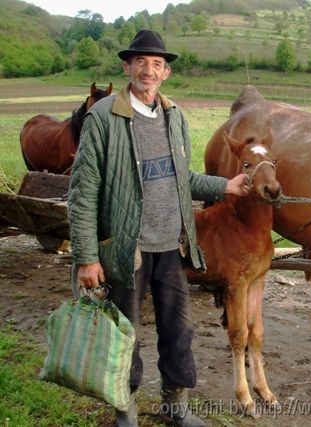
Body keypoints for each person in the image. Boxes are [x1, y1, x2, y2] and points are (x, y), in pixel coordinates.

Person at [67, 29, 251, 427]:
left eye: (156, 64)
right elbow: (82, 192)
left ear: (165, 72)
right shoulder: (103, 118)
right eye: (140, 63)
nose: (147, 71)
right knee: (124, 334)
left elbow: (179, 177)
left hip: (171, 246)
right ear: (127, 66)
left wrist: (225, 185)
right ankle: (124, 409)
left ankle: (174, 406)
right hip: (125, 247)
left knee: (179, 331)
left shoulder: (174, 116)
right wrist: (85, 257)